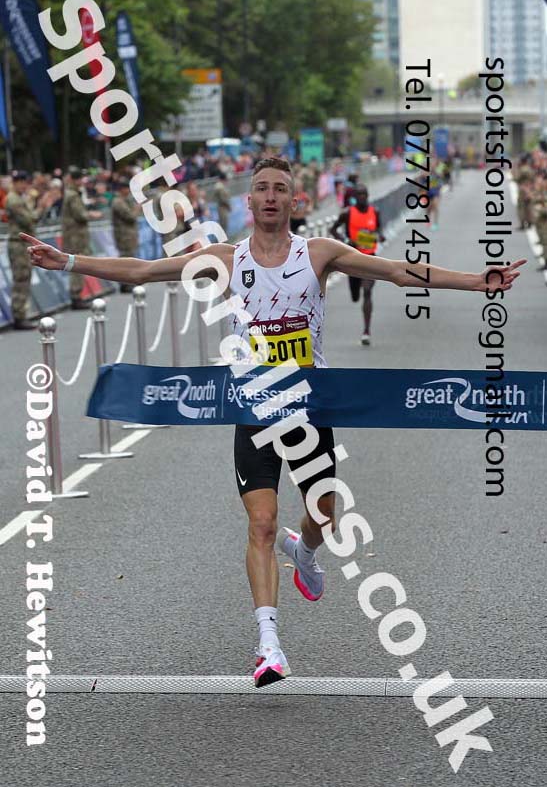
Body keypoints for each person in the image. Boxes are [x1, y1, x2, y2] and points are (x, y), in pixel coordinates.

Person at [22, 157, 525, 687]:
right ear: (249, 200)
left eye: (279, 189)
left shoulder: (320, 254)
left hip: (312, 406)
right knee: (260, 522)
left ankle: (304, 550)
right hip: (253, 406)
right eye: (260, 188)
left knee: (323, 513)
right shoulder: (224, 258)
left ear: (293, 201)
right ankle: (269, 645)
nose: (268, 196)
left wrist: (477, 283)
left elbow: (397, 270)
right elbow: (147, 271)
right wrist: (69, 262)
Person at [330, 185, 384, 345]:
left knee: (367, 291)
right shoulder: (347, 213)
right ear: (355, 197)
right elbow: (333, 229)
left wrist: (380, 236)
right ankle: (355, 291)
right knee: (355, 297)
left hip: (370, 259)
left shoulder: (375, 212)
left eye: (363, 194)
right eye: (358, 194)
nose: (361, 197)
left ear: (367, 195)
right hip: (352, 259)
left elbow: (379, 229)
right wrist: (347, 240)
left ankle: (366, 331)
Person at [6, 171, 44, 330]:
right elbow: (29, 220)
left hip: (22, 244)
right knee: (21, 279)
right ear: (14, 182)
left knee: (24, 278)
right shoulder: (14, 200)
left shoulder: (19, 198)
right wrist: (41, 207)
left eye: (25, 182)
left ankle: (21, 314)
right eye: (20, 182)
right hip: (18, 243)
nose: (24, 185)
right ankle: (19, 316)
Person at [61, 166, 101, 309]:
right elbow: (80, 214)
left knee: (77, 264)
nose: (80, 181)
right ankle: (76, 296)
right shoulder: (72, 195)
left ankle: (77, 295)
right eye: (77, 178)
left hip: (76, 236)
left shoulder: (73, 193)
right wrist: (92, 214)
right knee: (75, 265)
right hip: (75, 237)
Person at [112, 178, 140, 293]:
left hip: (128, 236)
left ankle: (127, 283)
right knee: (125, 260)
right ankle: (124, 283)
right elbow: (130, 216)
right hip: (124, 237)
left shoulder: (125, 200)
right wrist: (137, 210)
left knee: (129, 259)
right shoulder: (118, 202)